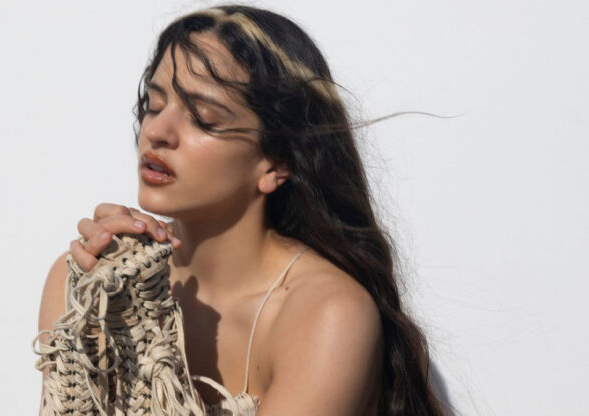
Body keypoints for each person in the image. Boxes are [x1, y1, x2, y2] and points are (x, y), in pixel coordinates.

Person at [38, 4, 446, 415]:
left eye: (203, 119)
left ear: (276, 163)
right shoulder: (88, 282)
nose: (156, 132)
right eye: (155, 105)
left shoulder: (327, 314)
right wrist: (113, 317)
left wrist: (146, 342)